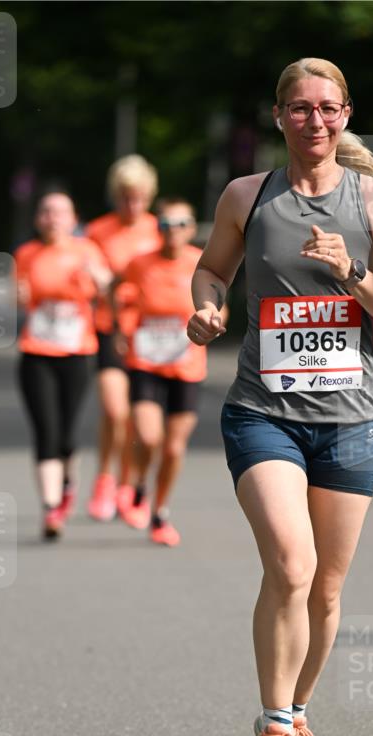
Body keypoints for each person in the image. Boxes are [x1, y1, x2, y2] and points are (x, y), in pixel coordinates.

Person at [187, 57, 373, 736]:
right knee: (291, 565)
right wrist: (207, 307)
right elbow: (211, 270)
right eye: (299, 108)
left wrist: (351, 272)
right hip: (262, 412)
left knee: (327, 593)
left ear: (344, 115)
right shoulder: (248, 195)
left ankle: (298, 716)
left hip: (349, 422)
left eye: (327, 108)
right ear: (277, 116)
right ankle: (274, 733)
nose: (314, 120)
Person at [15, 192, 112, 539]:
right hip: (36, 352)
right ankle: (50, 509)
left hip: (76, 353)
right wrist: (20, 296)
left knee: (67, 434)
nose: (51, 218)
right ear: (37, 219)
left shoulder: (86, 250)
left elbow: (107, 288)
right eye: (45, 211)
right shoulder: (27, 254)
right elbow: (19, 295)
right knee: (46, 430)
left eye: (59, 212)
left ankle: (67, 483)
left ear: (72, 219)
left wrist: (100, 279)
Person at [116, 197, 205, 546]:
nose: (173, 232)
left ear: (192, 229)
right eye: (166, 225)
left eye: (181, 224)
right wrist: (122, 330)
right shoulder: (140, 263)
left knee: (173, 448)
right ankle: (138, 483)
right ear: (157, 229)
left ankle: (160, 511)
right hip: (146, 362)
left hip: (187, 364)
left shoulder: (200, 262)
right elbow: (115, 291)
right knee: (149, 436)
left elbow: (218, 303)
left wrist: (215, 319)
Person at [84, 155, 162, 522]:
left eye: (139, 197)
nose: (132, 205)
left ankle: (128, 486)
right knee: (114, 409)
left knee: (137, 418)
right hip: (108, 325)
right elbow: (85, 269)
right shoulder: (98, 231)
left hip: (147, 332)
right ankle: (104, 478)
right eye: (125, 197)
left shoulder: (157, 229)